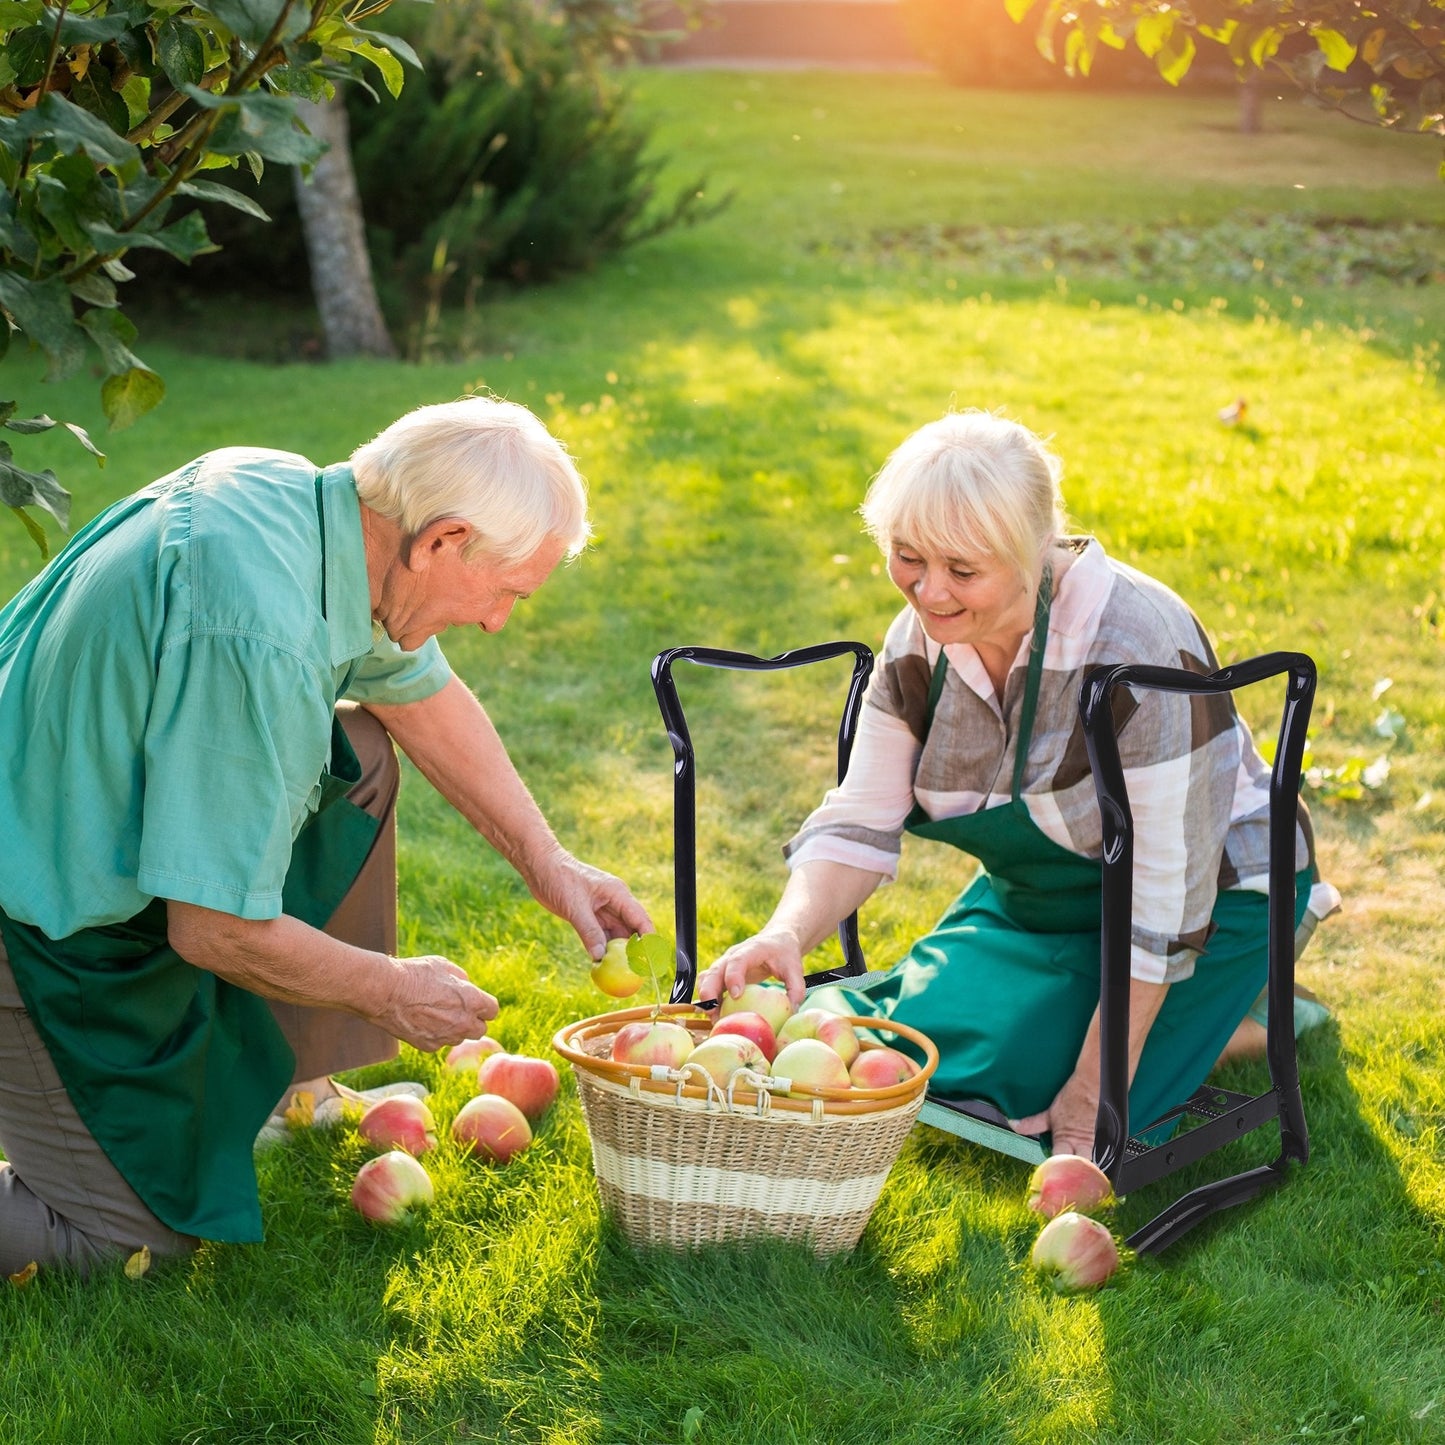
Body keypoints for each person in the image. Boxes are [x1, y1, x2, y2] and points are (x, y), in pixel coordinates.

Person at [0, 397, 651, 1275]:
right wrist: (386, 988)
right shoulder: (261, 635)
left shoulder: (301, 505)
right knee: (124, 1242)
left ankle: (291, 1089)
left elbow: (421, 695)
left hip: (68, 814)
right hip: (33, 909)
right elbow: (213, 928)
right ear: (443, 541)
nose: (498, 621)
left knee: (363, 753)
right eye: (505, 591)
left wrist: (548, 859)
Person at [698, 411, 1337, 1158]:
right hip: (1047, 897)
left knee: (1038, 1083)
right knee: (914, 1047)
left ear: (1034, 551)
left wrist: (1094, 1087)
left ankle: (1244, 1017)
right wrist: (786, 930)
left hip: (1216, 897)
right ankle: (1188, 1021)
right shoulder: (918, 646)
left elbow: (1165, 896)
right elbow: (858, 819)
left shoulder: (1138, 646)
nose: (928, 591)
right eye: (907, 557)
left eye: (962, 570)